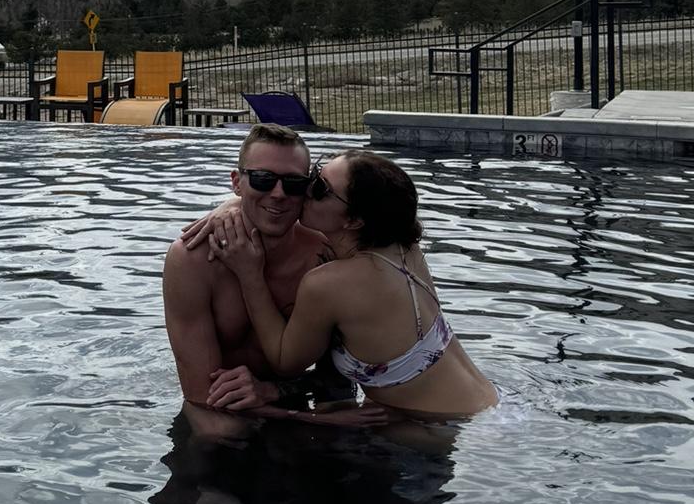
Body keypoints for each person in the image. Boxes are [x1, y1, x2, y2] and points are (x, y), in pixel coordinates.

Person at [207, 150, 497, 420]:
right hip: (490, 408)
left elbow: (285, 361)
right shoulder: (405, 248)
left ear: (354, 221)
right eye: (315, 173)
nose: (306, 189)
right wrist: (234, 203)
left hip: (435, 429)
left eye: (320, 188)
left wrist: (250, 275)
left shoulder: (328, 285)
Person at [162, 125, 364, 430]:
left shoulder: (324, 254)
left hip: (293, 393)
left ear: (307, 189)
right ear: (236, 182)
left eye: (294, 183)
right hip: (223, 407)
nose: (279, 193)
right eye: (262, 179)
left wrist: (285, 402)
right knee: (221, 431)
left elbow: (343, 377)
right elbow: (202, 396)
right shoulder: (193, 259)